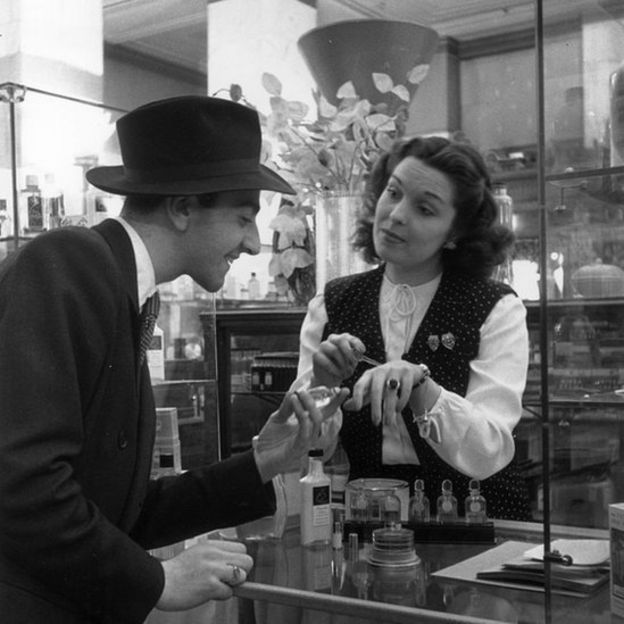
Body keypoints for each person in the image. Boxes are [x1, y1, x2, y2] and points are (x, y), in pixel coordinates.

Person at [0, 96, 346, 624]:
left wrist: (260, 462)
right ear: (182, 207)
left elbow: (125, 510)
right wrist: (157, 580)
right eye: (243, 217)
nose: (254, 243)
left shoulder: (123, 289)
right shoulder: (69, 261)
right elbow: (24, 484)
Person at [297, 135, 530, 520]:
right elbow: (302, 451)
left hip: (479, 523)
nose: (397, 214)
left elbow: (489, 446)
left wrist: (425, 390)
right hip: (371, 523)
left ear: (455, 232)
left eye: (424, 208)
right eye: (393, 193)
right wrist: (321, 386)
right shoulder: (333, 303)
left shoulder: (495, 307)